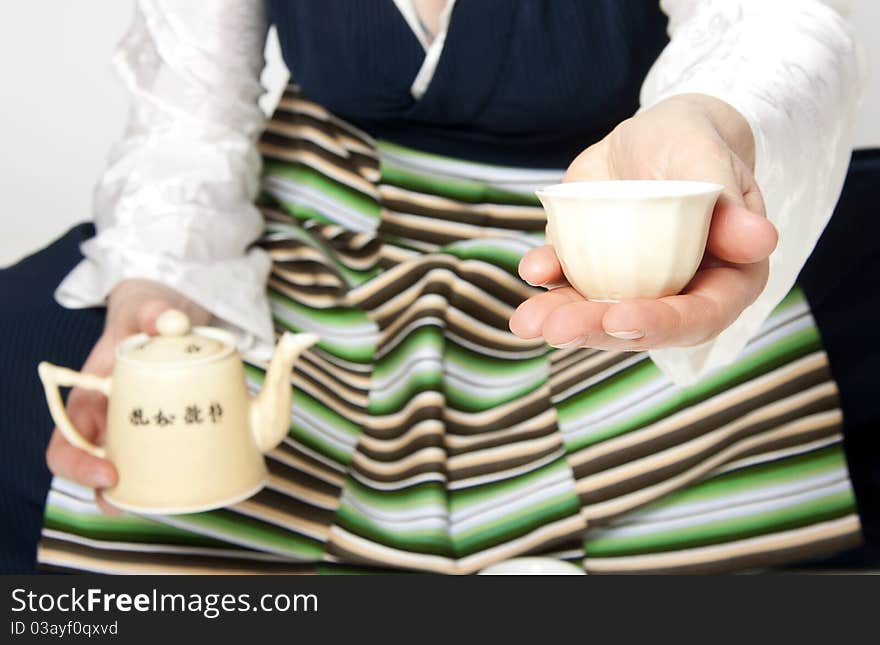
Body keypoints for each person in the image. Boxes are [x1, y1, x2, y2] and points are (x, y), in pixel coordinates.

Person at [1, 0, 875, 574]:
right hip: (319, 218)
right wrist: (156, 295)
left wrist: (715, 120)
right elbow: (191, 109)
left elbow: (773, 19)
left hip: (591, 236)